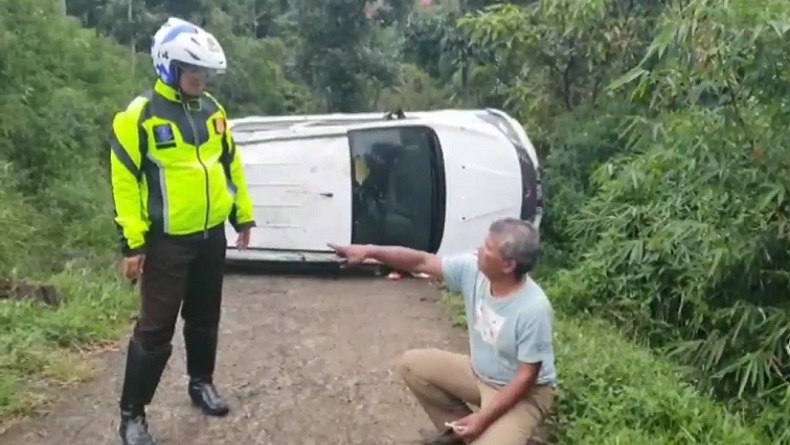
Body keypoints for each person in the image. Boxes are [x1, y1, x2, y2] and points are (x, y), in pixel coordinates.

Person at [109, 17, 255, 445]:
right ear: (167, 67)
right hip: (166, 242)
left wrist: (242, 216)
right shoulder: (139, 116)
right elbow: (124, 183)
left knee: (205, 316)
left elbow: (231, 167)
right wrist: (132, 243)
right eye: (190, 69)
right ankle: (132, 415)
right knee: (155, 329)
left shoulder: (213, 110)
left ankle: (200, 382)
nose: (199, 78)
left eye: (203, 71)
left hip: (210, 236)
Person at [329, 218, 555, 445]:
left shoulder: (533, 309)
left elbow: (526, 378)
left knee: (489, 429)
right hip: (479, 375)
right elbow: (421, 261)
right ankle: (465, 435)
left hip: (522, 395)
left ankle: (492, 431)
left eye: (487, 248)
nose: (479, 250)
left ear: (508, 265)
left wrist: (483, 419)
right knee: (413, 365)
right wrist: (369, 251)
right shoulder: (473, 270)